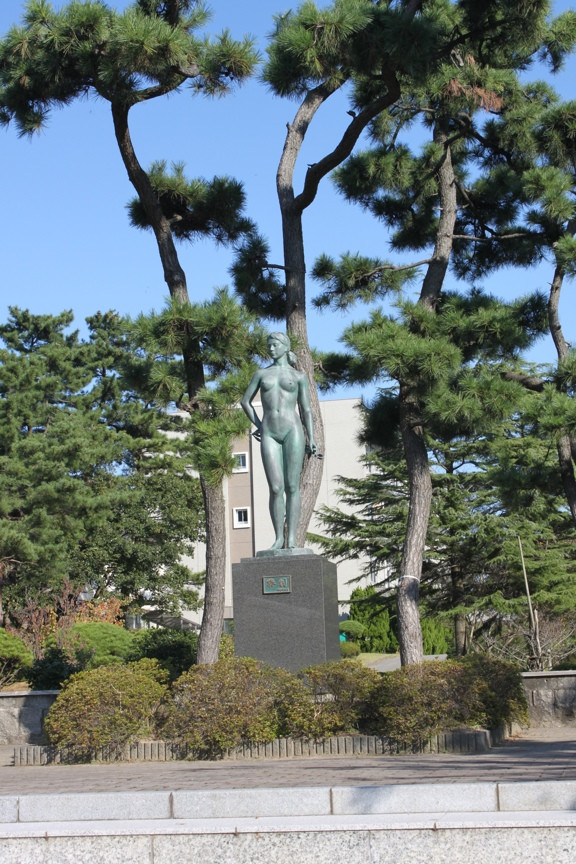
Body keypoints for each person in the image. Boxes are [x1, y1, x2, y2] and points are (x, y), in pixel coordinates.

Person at [241, 332, 317, 550]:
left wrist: (312, 438)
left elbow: (306, 409)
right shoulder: (261, 374)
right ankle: (278, 538)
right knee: (275, 487)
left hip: (293, 431)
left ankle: (291, 538)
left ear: (285, 347)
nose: (271, 349)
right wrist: (258, 424)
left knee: (292, 486)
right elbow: (245, 401)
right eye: (269, 346)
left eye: (275, 345)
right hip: (269, 433)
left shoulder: (299, 376)